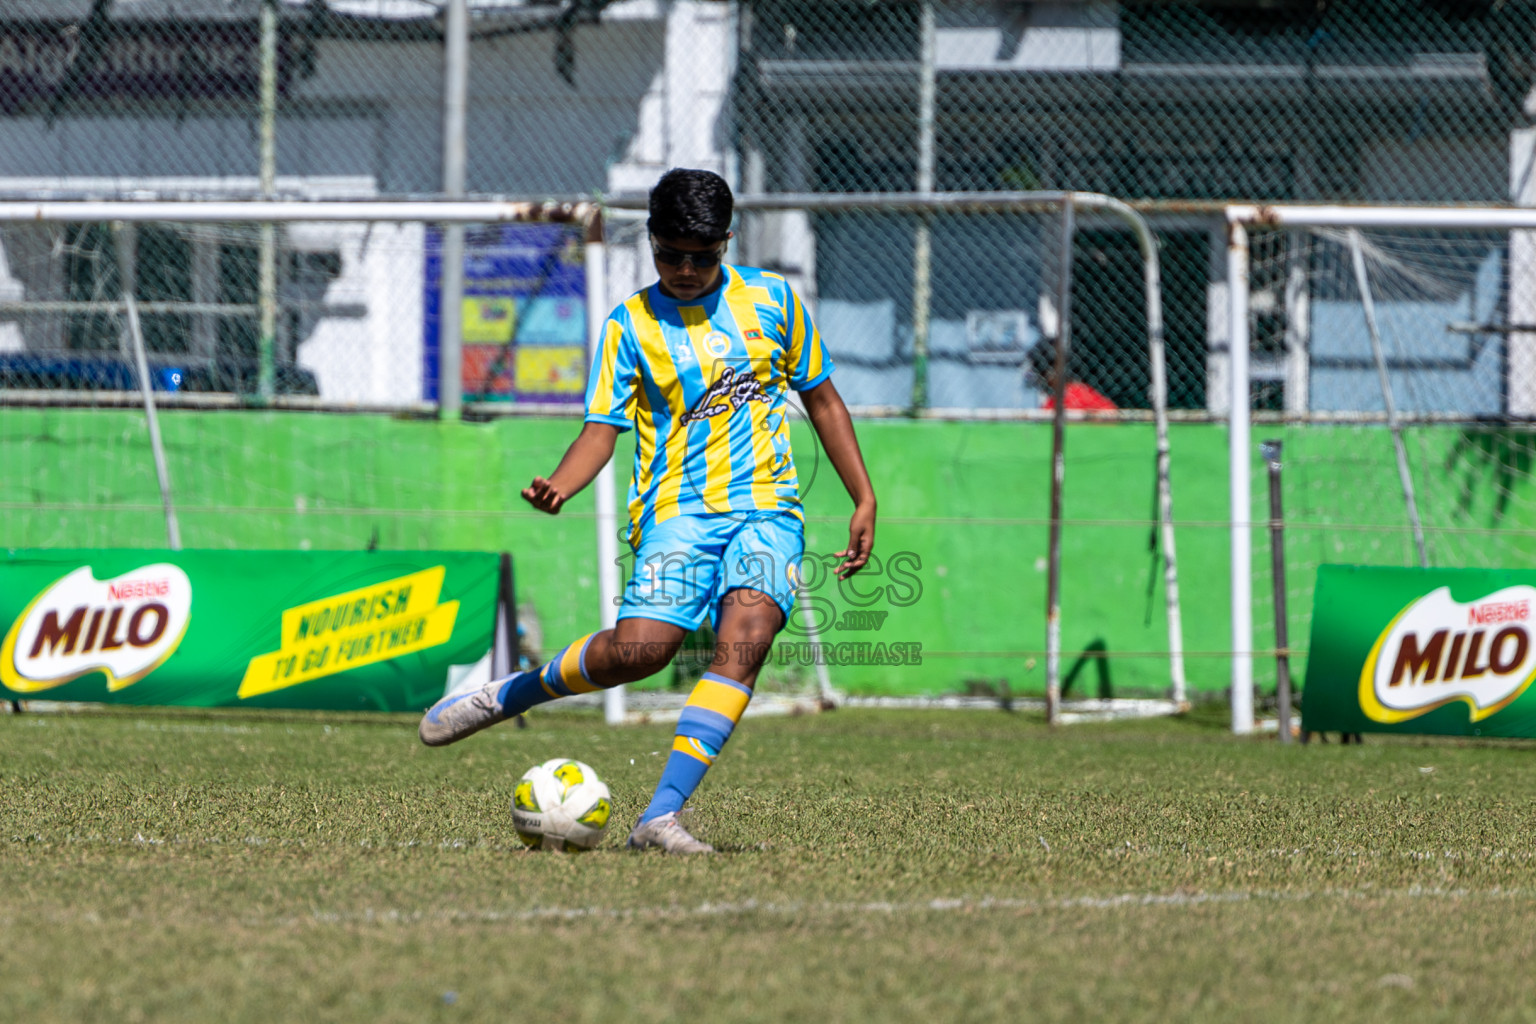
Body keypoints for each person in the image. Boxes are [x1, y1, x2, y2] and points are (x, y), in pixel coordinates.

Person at [418, 168, 878, 855]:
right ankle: (516, 692)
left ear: (726, 243)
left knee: (746, 637)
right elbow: (601, 429)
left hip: (768, 510)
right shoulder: (628, 326)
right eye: (670, 255)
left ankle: (659, 817)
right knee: (639, 653)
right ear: (652, 244)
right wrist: (563, 485)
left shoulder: (776, 303)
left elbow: (822, 400)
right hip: (678, 513)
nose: (686, 270)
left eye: (702, 256)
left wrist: (863, 496)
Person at [1027, 341, 1117, 411]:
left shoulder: (1076, 392)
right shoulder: (1053, 401)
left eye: (1044, 375)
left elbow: (1111, 414)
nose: (1044, 381)